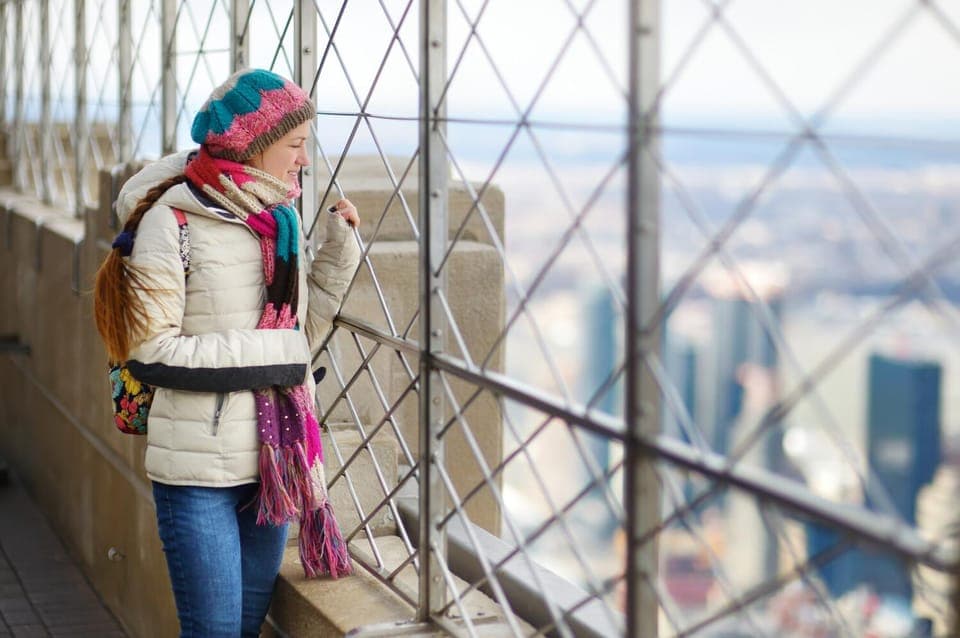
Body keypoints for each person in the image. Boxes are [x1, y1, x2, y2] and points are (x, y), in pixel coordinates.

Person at [93, 68, 360, 637]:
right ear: (255, 144)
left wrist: (338, 254)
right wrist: (276, 350)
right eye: (295, 145)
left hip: (270, 468)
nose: (304, 161)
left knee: (243, 628)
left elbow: (298, 339)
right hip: (197, 473)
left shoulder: (278, 221)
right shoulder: (173, 221)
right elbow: (152, 352)